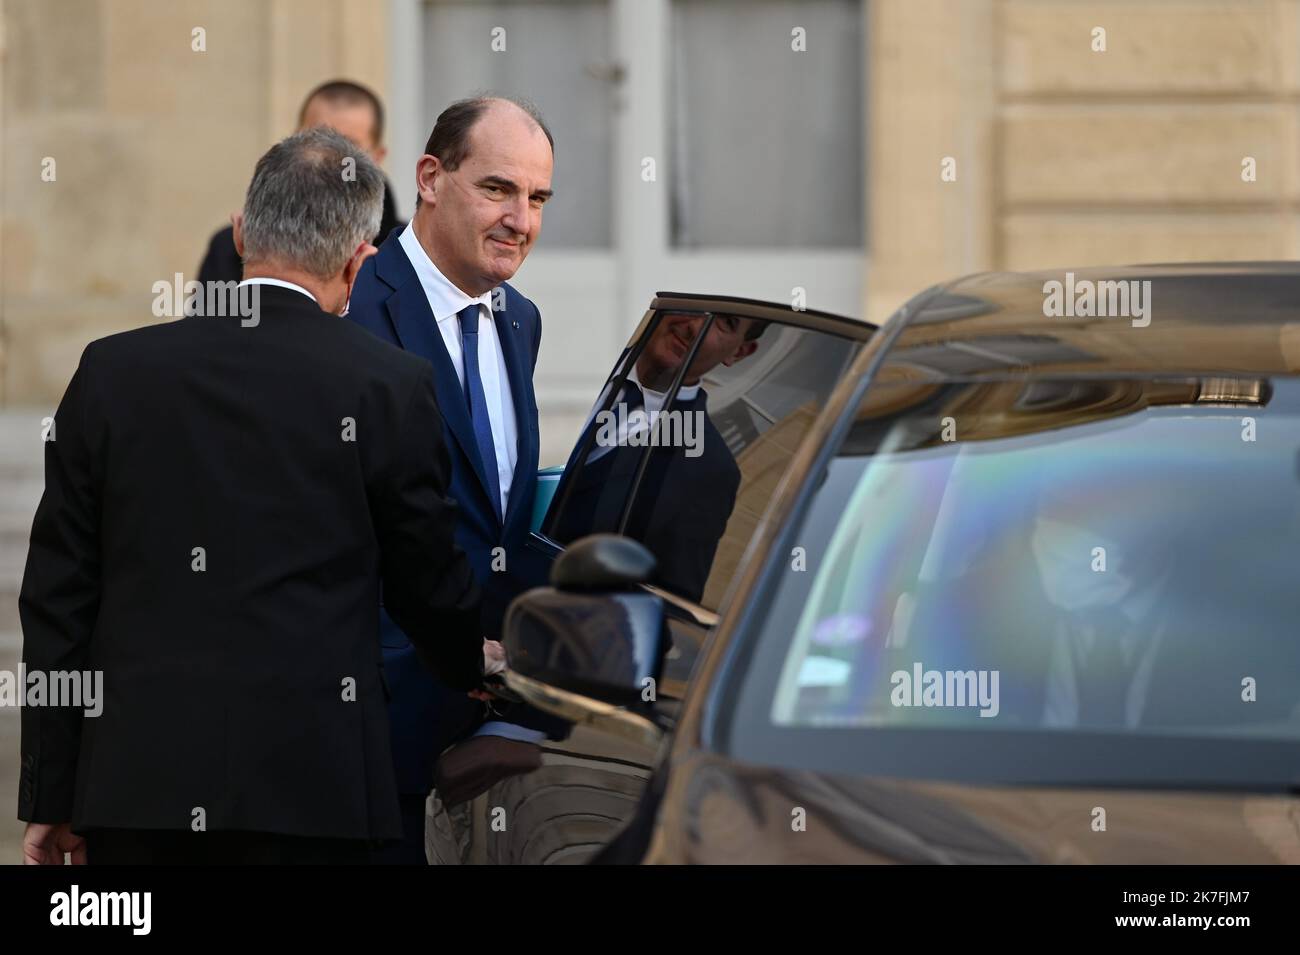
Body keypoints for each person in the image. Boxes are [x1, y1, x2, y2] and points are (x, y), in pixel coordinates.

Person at [18, 128, 496, 865]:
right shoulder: (390, 388)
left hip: (139, 793)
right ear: (358, 260)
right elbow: (425, 583)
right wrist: (474, 664)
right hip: (318, 793)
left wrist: (54, 794)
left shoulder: (112, 373)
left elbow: (58, 601)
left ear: (242, 232)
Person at [344, 95, 555, 862]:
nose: (521, 220)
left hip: (487, 732)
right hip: (370, 729)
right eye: (497, 189)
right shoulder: (355, 302)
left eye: (537, 199)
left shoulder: (522, 319)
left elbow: (496, 515)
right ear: (430, 178)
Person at [550, 311, 766, 603]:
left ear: (739, 352)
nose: (694, 327)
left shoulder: (708, 470)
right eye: (695, 302)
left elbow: (667, 606)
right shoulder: (565, 356)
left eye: (725, 322)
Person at [197, 79, 403, 285]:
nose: (328, 157)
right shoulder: (232, 248)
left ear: (377, 157)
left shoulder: (405, 253)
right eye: (316, 139)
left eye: (349, 147)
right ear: (293, 141)